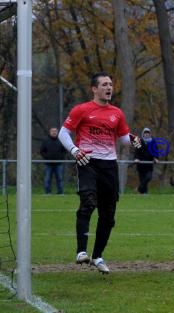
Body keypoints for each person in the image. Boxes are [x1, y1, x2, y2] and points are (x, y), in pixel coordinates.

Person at [58, 72, 141, 274]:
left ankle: (97, 256)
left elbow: (122, 139)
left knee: (109, 214)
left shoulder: (117, 113)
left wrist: (132, 140)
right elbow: (63, 133)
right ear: (94, 89)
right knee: (88, 203)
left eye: (111, 84)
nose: (109, 88)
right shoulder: (82, 110)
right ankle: (81, 251)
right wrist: (75, 151)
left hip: (109, 165)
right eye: (104, 84)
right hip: (88, 161)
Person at [40, 127, 66, 194]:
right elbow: (42, 151)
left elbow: (64, 151)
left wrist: (61, 158)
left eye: (55, 131)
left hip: (59, 164)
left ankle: (60, 192)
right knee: (47, 179)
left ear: (57, 132)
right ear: (50, 132)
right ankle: (47, 192)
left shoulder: (61, 140)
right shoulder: (46, 141)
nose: (54, 132)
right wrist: (46, 158)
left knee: (60, 179)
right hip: (48, 164)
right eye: (52, 131)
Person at [134, 128, 159, 194]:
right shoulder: (138, 141)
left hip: (149, 165)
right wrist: (136, 158)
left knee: (148, 177)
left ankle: (138, 189)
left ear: (150, 134)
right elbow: (136, 152)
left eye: (148, 133)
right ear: (143, 134)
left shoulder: (153, 142)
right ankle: (144, 193)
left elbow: (155, 152)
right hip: (140, 164)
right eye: (145, 133)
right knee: (142, 180)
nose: (146, 134)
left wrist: (156, 158)